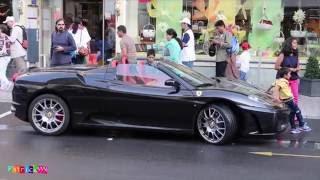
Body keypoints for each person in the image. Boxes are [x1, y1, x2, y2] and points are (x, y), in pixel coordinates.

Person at [273, 67, 311, 134]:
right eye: (289, 74)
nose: (290, 75)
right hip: (289, 100)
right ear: (285, 75)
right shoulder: (281, 82)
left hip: (289, 100)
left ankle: (293, 128)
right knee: (298, 111)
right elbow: (276, 89)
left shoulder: (280, 81)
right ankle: (302, 125)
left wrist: (267, 91)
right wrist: (276, 98)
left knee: (292, 114)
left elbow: (273, 85)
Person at [275, 37, 300, 104]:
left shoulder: (296, 55)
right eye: (294, 43)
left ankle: (294, 113)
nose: (296, 44)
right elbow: (276, 67)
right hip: (283, 80)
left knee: (295, 97)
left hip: (294, 78)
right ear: (289, 44)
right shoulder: (283, 54)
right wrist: (289, 69)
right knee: (282, 98)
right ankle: (282, 113)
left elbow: (298, 67)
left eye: (296, 43)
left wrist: (297, 69)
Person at [0, 24, 11, 90]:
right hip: (6, 56)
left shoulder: (2, 37)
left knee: (1, 72)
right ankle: (4, 85)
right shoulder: (6, 36)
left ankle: (7, 83)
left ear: (1, 30)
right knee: (2, 71)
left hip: (4, 57)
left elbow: (1, 48)